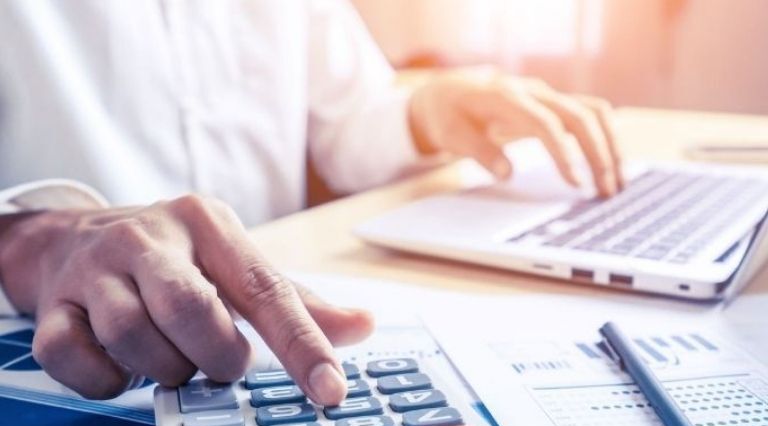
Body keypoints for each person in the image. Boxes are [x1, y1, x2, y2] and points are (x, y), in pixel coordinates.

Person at [0, 1, 623, 405]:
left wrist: (427, 112)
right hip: (68, 357)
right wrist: (32, 240)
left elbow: (347, 122)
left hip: (273, 334)